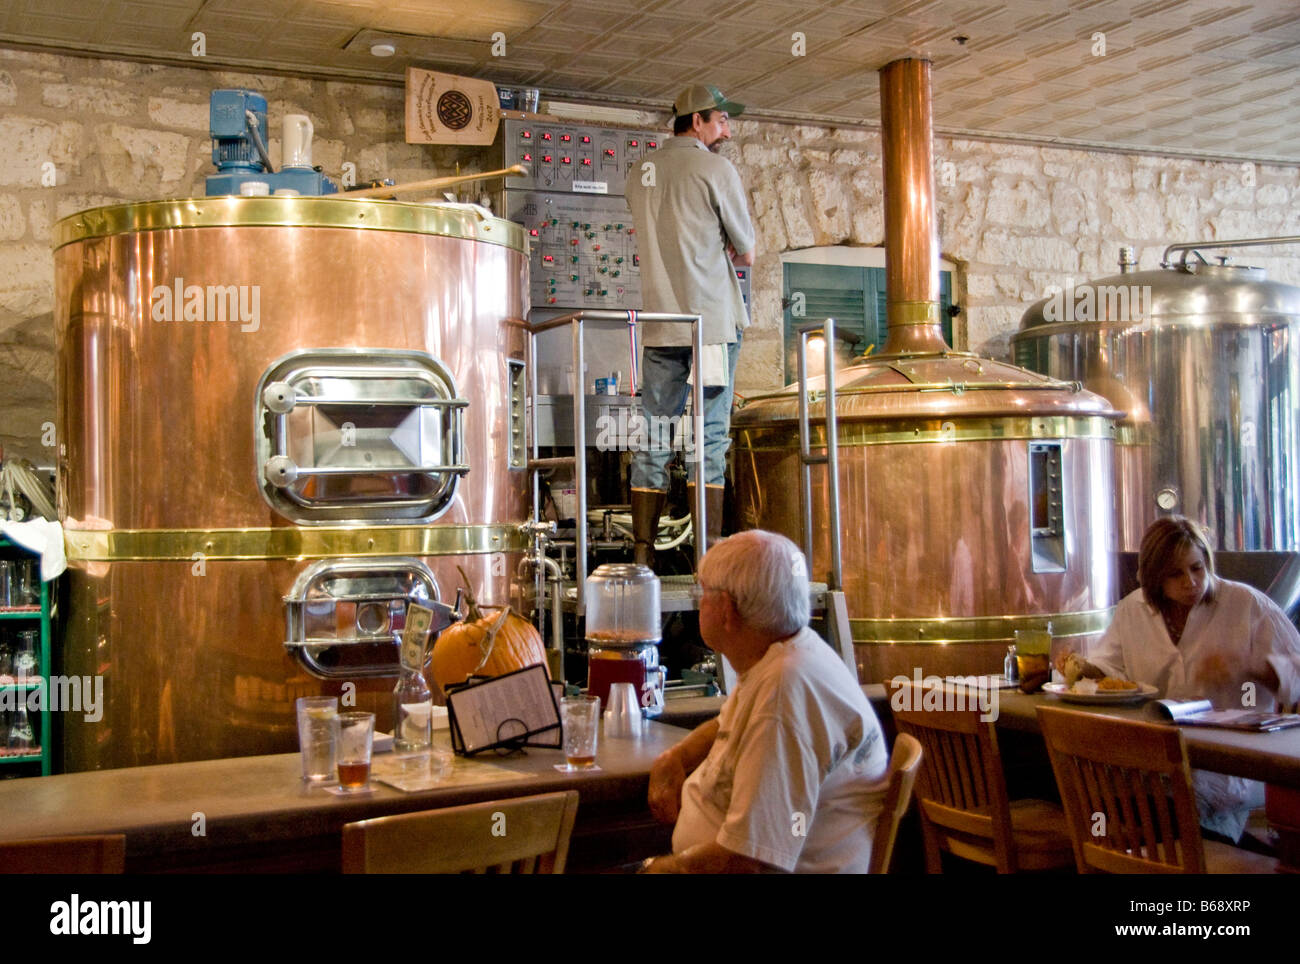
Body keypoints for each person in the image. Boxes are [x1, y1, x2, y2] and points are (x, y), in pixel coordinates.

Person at [639, 530, 889, 873]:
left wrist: (656, 870)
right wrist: (678, 756)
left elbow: (748, 862)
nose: (698, 602)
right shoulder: (787, 654)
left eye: (703, 592)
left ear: (725, 609)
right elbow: (730, 721)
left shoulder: (784, 694)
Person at [1075, 515, 1300, 842]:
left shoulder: (1245, 604)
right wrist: (1080, 667)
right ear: (1153, 578)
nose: (1191, 582)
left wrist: (1249, 666)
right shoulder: (1133, 610)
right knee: (1103, 797)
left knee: (1165, 810)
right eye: (1175, 574)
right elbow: (1109, 667)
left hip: (1230, 763)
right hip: (1158, 759)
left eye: (1197, 568)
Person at [625, 84, 755, 568]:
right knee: (712, 436)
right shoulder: (715, 168)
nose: (727, 130)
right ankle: (710, 562)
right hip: (712, 327)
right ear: (696, 121)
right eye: (721, 120)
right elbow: (746, 249)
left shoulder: (641, 171)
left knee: (653, 436)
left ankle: (643, 558)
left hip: (661, 324)